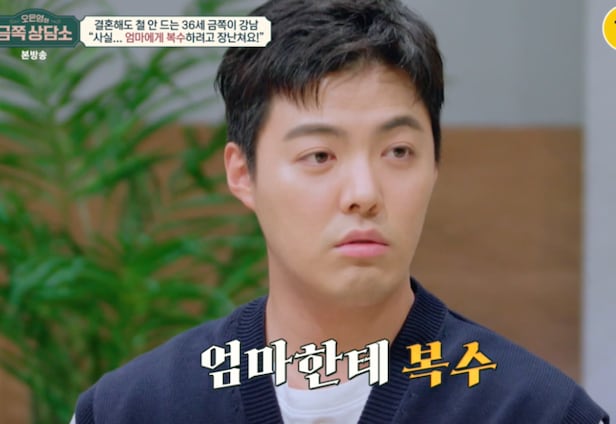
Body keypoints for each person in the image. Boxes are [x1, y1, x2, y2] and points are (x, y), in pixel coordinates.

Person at [72, 0, 609, 422]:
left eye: (398, 152)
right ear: (242, 173)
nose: (364, 192)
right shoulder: (135, 408)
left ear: (435, 165)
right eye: (319, 156)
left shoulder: (534, 410)